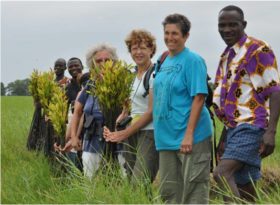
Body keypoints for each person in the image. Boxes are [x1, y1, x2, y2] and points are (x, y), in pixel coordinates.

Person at [212, 5, 280, 203]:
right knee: (244, 186)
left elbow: (274, 91)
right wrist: (225, 133)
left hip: (252, 125)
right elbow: (229, 98)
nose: (226, 30)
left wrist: (271, 132)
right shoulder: (227, 55)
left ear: (243, 25)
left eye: (232, 25)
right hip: (233, 128)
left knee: (221, 174)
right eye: (222, 26)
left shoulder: (258, 50)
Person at [152, 14, 213, 204]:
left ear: (186, 36)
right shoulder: (163, 62)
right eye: (167, 33)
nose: (170, 37)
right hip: (166, 138)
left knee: (194, 191)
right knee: (169, 193)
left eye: (175, 33)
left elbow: (199, 97)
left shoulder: (193, 60)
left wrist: (189, 134)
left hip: (190, 137)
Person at [103, 29, 159, 185]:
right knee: (130, 177)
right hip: (132, 131)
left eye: (143, 48)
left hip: (150, 132)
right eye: (134, 48)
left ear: (151, 50)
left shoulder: (155, 75)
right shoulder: (131, 75)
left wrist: (123, 134)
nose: (138, 52)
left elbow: (151, 112)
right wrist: (123, 115)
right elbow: (130, 103)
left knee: (139, 182)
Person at [66, 43, 119, 179]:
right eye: (98, 61)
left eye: (107, 60)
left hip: (118, 145)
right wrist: (73, 137)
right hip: (91, 143)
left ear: (113, 62)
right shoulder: (89, 86)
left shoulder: (121, 83)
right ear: (92, 64)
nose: (102, 64)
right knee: (91, 185)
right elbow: (77, 113)